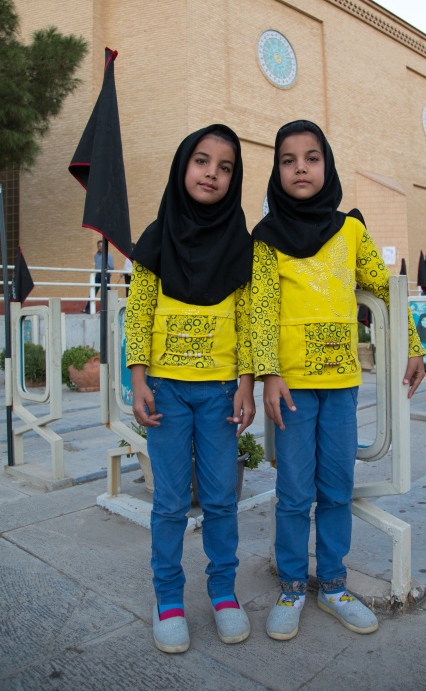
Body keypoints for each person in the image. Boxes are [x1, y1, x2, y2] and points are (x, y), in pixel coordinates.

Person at [250, 120, 426, 641]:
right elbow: (260, 312)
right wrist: (269, 375)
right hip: (292, 391)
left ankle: (332, 583)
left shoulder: (351, 231)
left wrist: (412, 346)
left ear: (327, 166)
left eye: (311, 157)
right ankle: (290, 586)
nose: (300, 167)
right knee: (292, 490)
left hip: (342, 386)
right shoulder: (264, 240)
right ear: (276, 171)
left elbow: (387, 290)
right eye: (288, 159)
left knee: (336, 486)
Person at [125, 125, 255, 654]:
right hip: (167, 391)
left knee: (222, 498)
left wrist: (245, 383)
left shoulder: (239, 245)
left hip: (222, 392)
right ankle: (168, 598)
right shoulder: (157, 237)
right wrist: (137, 378)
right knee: (171, 500)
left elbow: (247, 319)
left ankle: (223, 593)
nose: (212, 174)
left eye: (225, 168)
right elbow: (137, 314)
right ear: (183, 167)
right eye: (202, 161)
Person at [82, 239, 114, 313]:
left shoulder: (108, 255)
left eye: (102, 246)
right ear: (97, 246)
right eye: (99, 246)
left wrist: (109, 271)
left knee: (107, 291)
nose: (101, 247)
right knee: (93, 290)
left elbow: (111, 266)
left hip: (105, 274)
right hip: (98, 274)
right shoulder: (96, 255)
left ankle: (112, 307)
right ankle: (88, 309)